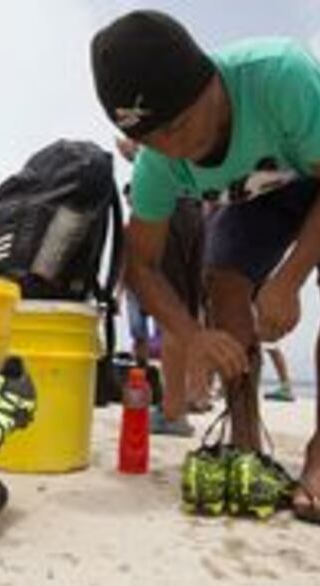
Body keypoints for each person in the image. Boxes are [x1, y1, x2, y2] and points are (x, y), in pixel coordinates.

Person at [90, 10, 320, 526]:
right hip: (258, 193)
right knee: (224, 283)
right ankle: (246, 443)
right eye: (154, 138)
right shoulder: (159, 160)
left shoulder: (280, 74)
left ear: (210, 79)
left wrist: (289, 280)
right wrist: (192, 334)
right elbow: (140, 265)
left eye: (180, 126)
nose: (174, 148)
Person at [117, 137, 207, 437]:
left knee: (172, 314)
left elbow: (161, 158)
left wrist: (136, 153)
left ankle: (173, 412)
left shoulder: (154, 125)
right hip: (195, 209)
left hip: (168, 208)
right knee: (186, 316)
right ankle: (181, 402)